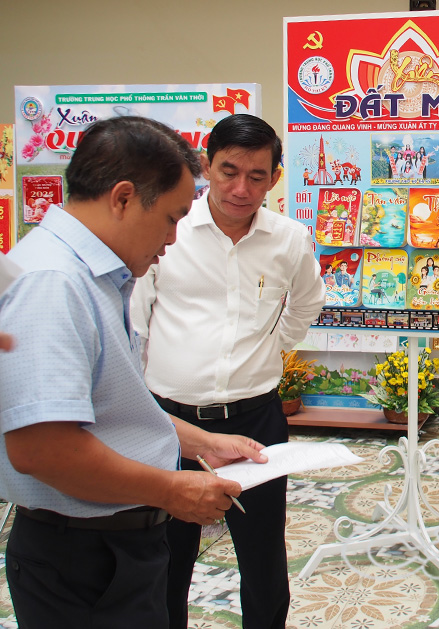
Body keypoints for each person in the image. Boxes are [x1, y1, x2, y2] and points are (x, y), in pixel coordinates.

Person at [0, 116, 267, 629]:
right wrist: (171, 490)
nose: (171, 239)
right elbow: (43, 449)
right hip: (84, 559)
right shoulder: (53, 283)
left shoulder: (93, 278)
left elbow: (111, 411)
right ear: (123, 198)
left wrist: (203, 443)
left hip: (111, 549)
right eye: (170, 218)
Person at [132, 114, 325, 629]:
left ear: (275, 178)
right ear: (205, 166)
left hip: (255, 422)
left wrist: (273, 346)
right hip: (169, 424)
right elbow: (136, 323)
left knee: (263, 559)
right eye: (229, 171)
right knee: (166, 558)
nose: (241, 189)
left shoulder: (289, 239)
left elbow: (307, 302)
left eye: (257, 176)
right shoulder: (168, 231)